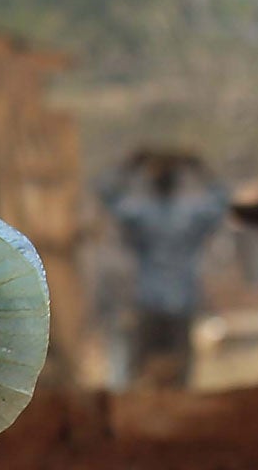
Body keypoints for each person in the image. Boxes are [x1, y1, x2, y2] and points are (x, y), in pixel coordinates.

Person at [99, 149, 230, 389]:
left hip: (149, 300)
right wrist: (200, 167)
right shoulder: (192, 214)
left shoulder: (140, 213)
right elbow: (222, 199)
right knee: (180, 378)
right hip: (181, 300)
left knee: (139, 374)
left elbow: (108, 195)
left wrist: (130, 166)